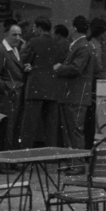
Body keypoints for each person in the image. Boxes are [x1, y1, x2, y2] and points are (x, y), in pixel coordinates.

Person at [54, 18, 106, 148]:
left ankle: (77, 163)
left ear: (74, 28)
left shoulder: (82, 46)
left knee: (74, 131)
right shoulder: (84, 46)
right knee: (71, 131)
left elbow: (77, 68)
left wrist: (59, 68)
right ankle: (73, 162)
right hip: (75, 96)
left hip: (75, 96)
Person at [19, 18, 67, 147]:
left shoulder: (33, 42)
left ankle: (25, 154)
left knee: (29, 125)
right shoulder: (58, 44)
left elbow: (24, 61)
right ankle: (51, 155)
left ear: (39, 28)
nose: (33, 31)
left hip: (35, 87)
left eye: (34, 28)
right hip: (53, 89)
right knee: (51, 127)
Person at [0, 22, 26, 148]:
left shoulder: (15, 50)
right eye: (14, 35)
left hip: (14, 97)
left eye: (19, 35)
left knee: (13, 129)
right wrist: (8, 88)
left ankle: (10, 161)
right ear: (6, 35)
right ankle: (5, 163)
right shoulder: (0, 51)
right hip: (6, 97)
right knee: (6, 130)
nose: (17, 38)